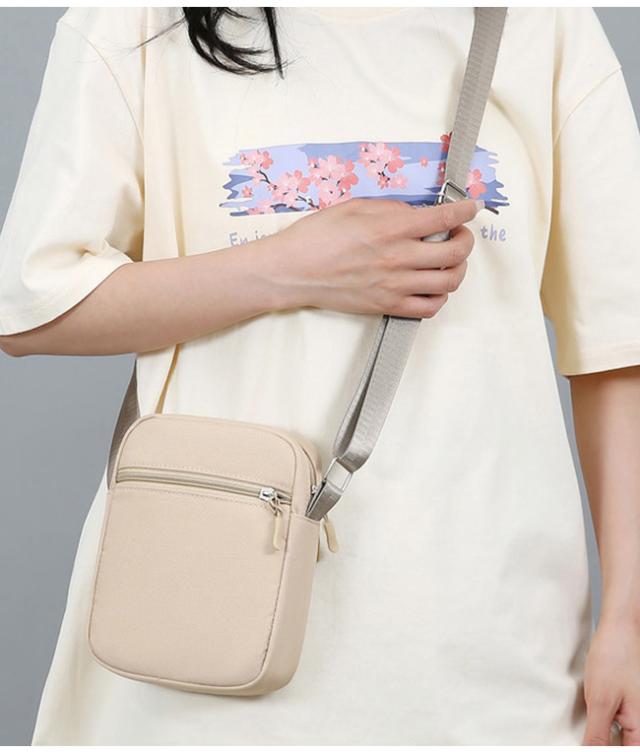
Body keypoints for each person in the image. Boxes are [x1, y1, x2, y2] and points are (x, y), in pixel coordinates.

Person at [1, 6, 639, 746]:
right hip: (200, 623)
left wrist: (629, 618)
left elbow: (617, 348)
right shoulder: (134, 21)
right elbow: (30, 307)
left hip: (492, 646)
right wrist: (287, 268)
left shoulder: (541, 21)